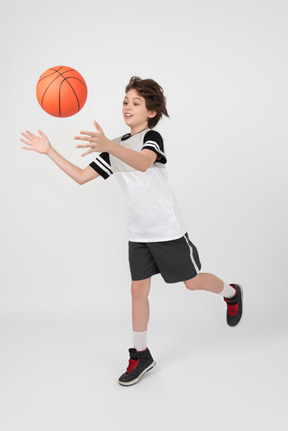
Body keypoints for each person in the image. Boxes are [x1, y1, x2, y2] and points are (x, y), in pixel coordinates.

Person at [21, 76, 243, 386]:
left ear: (151, 112)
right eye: (126, 101)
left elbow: (142, 163)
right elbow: (82, 177)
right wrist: (49, 150)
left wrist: (109, 145)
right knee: (138, 291)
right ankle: (142, 354)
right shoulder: (115, 146)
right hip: (138, 233)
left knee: (191, 283)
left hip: (167, 230)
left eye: (136, 102)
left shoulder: (152, 137)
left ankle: (231, 293)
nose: (128, 106)